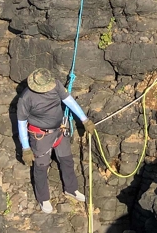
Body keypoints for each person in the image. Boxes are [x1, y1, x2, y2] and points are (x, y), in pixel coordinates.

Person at [17, 67, 97, 214]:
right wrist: (26, 148)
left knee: (67, 160)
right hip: (40, 136)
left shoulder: (56, 85)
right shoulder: (26, 98)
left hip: (59, 131)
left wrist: (85, 120)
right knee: (41, 167)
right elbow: (21, 123)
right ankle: (43, 198)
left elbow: (69, 101)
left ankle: (71, 189)